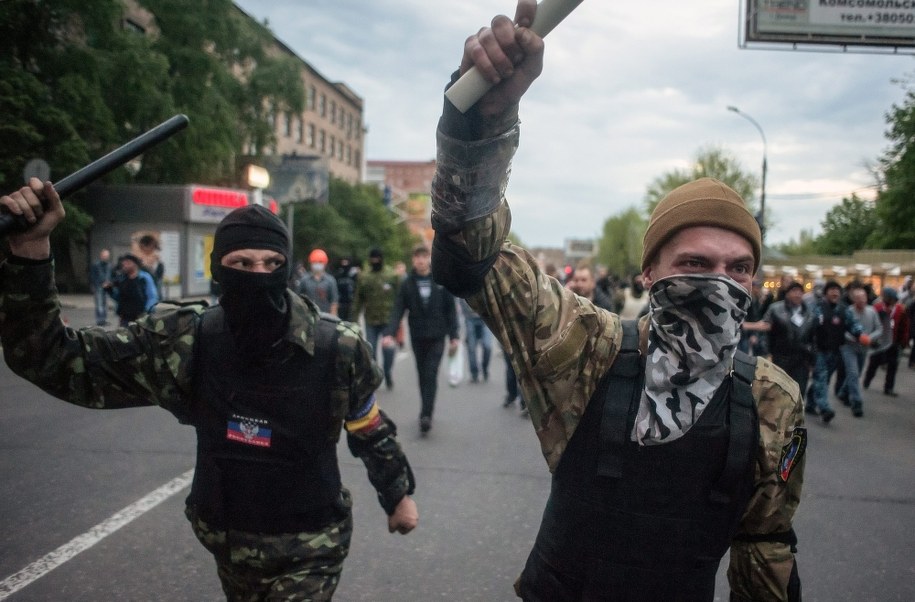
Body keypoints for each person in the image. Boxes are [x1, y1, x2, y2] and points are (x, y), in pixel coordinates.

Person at [428, 3, 804, 599]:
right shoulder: (586, 346)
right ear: (650, 272)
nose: (718, 284)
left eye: (739, 269)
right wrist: (482, 123)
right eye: (695, 265)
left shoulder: (771, 400)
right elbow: (473, 254)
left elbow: (766, 540)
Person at [0, 182, 418, 600]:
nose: (258, 275)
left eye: (272, 263)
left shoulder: (337, 348)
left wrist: (397, 494)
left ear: (289, 269)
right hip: (229, 544)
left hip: (312, 545)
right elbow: (52, 358)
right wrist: (31, 253)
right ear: (219, 269)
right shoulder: (185, 340)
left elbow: (369, 425)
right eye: (243, 262)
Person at [382, 245, 459, 435]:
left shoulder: (440, 282)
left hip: (437, 336)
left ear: (429, 260)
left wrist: (454, 336)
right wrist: (389, 333)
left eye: (424, 257)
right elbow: (398, 309)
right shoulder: (407, 283)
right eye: (417, 257)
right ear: (413, 260)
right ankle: (425, 409)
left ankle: (426, 415)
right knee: (422, 374)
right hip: (417, 336)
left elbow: (451, 310)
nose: (421, 261)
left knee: (431, 373)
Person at [745, 280, 815, 414]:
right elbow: (765, 327)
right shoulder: (776, 309)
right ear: (787, 293)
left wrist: (813, 359)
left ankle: (794, 421)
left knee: (799, 391)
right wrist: (766, 351)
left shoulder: (809, 313)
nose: (797, 294)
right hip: (780, 356)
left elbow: (813, 336)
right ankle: (775, 419)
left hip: (802, 357)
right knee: (778, 389)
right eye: (794, 291)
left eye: (800, 292)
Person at [810, 280, 869, 423]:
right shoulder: (818, 308)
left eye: (837, 290)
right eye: (831, 289)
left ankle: (811, 402)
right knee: (821, 378)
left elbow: (853, 325)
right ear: (826, 293)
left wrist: (861, 335)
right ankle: (825, 408)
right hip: (819, 350)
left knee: (823, 379)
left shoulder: (844, 310)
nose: (834, 292)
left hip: (835, 351)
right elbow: (810, 327)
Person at [352, 248, 400, 390]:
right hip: (371, 320)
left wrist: (399, 318)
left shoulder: (391, 275)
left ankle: (388, 372)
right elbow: (358, 299)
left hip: (388, 320)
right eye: (372, 260)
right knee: (370, 349)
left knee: (389, 351)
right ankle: (374, 377)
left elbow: (399, 297)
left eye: (377, 259)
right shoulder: (364, 277)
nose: (375, 262)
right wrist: (354, 320)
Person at [840, 285, 882, 416]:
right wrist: (856, 337)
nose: (862, 300)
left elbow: (879, 328)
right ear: (853, 299)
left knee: (856, 374)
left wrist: (869, 338)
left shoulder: (872, 311)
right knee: (853, 372)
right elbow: (842, 330)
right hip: (849, 347)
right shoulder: (848, 312)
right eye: (858, 298)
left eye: (863, 297)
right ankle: (856, 402)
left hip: (864, 348)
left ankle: (843, 392)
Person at [863, 287, 910, 396]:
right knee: (873, 364)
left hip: (893, 343)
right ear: (886, 298)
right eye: (892, 298)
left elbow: (904, 326)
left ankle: (889, 388)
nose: (894, 301)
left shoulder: (900, 309)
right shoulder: (877, 308)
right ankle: (867, 380)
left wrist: (903, 341)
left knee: (893, 366)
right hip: (879, 343)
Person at [105, 253, 159, 326]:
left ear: (134, 264)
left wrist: (146, 311)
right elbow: (119, 298)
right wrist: (109, 290)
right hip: (124, 318)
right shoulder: (122, 278)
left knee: (140, 337)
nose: (124, 266)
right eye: (123, 264)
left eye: (127, 263)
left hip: (140, 317)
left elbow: (152, 296)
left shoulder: (144, 278)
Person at [460, 297, 492, 383]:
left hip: (485, 317)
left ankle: (485, 368)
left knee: (487, 346)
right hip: (470, 317)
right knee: (471, 347)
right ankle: (474, 372)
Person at [298, 248, 339, 315]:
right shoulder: (304, 280)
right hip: (307, 315)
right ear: (311, 263)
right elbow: (298, 299)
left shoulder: (330, 281)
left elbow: (334, 302)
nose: (317, 265)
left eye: (320, 262)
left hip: (325, 316)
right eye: (315, 262)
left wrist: (333, 319)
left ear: (325, 264)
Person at [135, 233, 165, 299]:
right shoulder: (140, 257)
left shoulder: (157, 257)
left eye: (142, 247)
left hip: (153, 283)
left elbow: (158, 276)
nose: (141, 250)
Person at [88, 248, 112, 326]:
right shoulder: (96, 265)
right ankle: (99, 320)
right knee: (99, 304)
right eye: (104, 256)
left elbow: (110, 275)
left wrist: (109, 283)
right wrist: (97, 285)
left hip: (107, 287)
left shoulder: (109, 265)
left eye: (107, 256)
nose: (106, 257)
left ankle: (104, 319)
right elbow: (92, 276)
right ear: (101, 256)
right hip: (99, 287)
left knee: (105, 304)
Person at [334, 256, 358, 321]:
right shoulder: (338, 274)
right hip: (340, 302)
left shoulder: (353, 275)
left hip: (351, 302)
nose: (344, 263)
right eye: (343, 262)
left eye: (346, 262)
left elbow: (356, 288)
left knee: (350, 320)